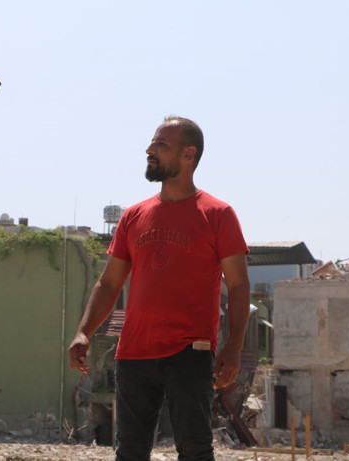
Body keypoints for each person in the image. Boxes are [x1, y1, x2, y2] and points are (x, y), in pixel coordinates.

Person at [68, 116, 250, 461]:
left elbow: (239, 287)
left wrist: (234, 347)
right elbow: (109, 283)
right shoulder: (134, 216)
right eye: (153, 143)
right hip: (133, 354)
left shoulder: (218, 214)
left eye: (161, 145)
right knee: (130, 453)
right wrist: (83, 331)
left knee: (195, 450)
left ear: (188, 154)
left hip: (189, 352)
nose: (149, 150)